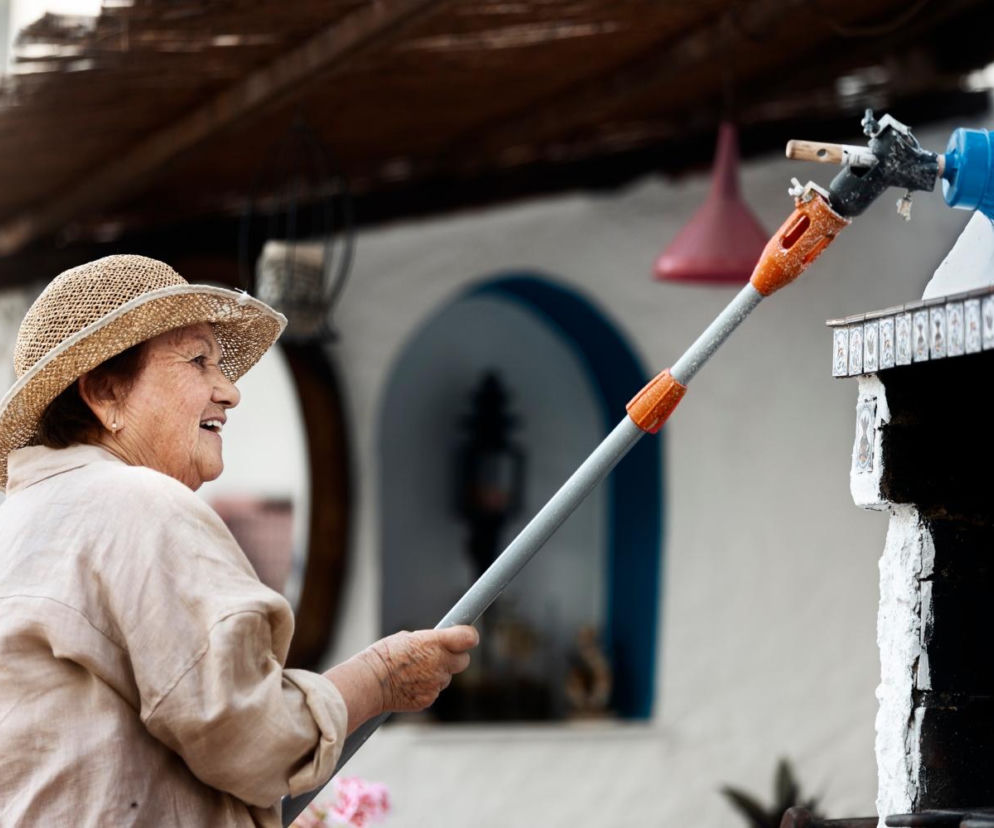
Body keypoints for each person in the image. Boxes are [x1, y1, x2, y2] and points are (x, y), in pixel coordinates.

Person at [0, 255, 479, 826]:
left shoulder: (20, 520)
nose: (229, 392)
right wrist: (379, 678)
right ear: (106, 394)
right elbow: (252, 738)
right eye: (198, 360)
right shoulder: (138, 503)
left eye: (220, 365)